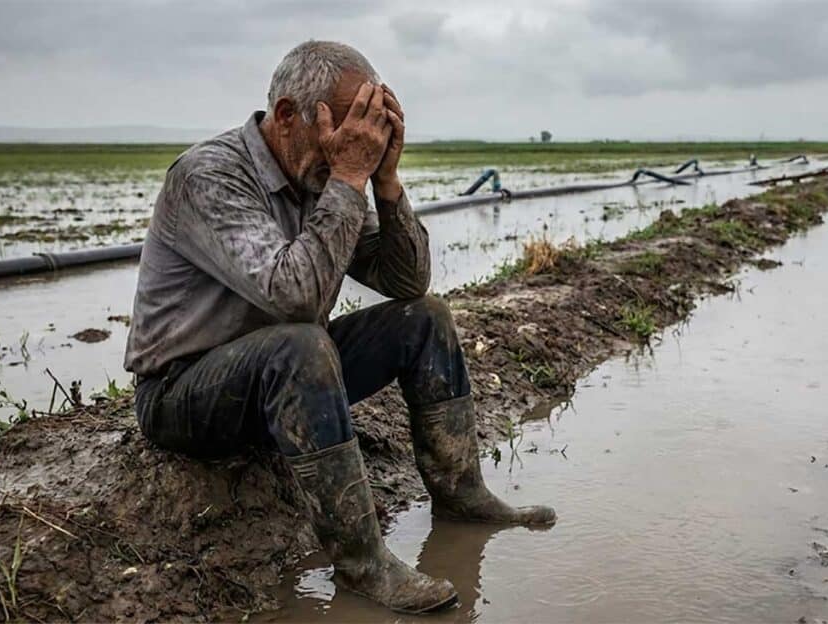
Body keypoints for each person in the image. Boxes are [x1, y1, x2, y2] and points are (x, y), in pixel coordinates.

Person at [123, 40, 556, 614]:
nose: (356, 142)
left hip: (284, 379)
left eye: (368, 128)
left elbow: (407, 281)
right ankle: (361, 564)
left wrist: (386, 182)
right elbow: (295, 299)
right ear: (287, 115)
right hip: (183, 393)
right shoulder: (211, 175)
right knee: (302, 343)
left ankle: (462, 495)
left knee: (424, 318)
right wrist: (349, 176)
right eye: (347, 126)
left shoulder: (318, 176)